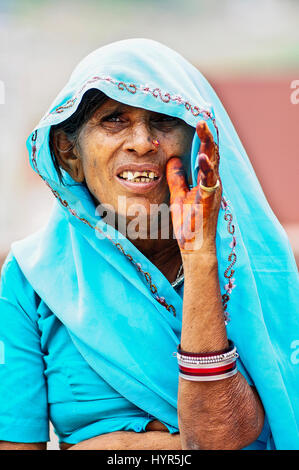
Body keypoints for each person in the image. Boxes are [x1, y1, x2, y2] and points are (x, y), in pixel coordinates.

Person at [0, 38, 298, 451]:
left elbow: (218, 439)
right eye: (114, 120)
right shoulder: (31, 279)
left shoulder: (254, 271)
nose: (142, 141)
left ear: (198, 142)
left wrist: (199, 260)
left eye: (163, 121)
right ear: (70, 154)